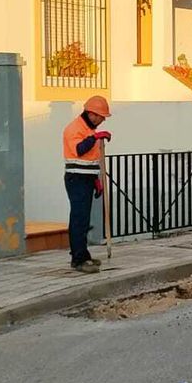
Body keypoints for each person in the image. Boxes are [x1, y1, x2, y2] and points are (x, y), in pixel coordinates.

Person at [63, 95, 112, 273]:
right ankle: (78, 259)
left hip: (86, 179)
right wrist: (96, 137)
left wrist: (96, 180)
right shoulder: (74, 129)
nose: (102, 121)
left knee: (84, 220)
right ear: (92, 114)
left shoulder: (88, 129)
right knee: (79, 219)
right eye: (101, 117)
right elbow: (79, 150)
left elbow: (91, 160)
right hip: (76, 179)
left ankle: (83, 254)